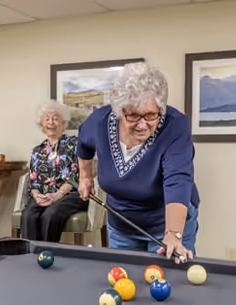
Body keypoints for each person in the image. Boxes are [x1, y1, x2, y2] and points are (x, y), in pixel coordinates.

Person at [75, 62, 200, 263]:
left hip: (165, 223)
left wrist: (174, 234)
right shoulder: (99, 122)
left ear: (161, 107)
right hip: (121, 224)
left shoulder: (175, 126)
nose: (142, 124)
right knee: (124, 281)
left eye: (151, 115)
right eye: (133, 115)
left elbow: (177, 180)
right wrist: (85, 176)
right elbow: (83, 143)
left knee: (170, 282)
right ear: (118, 110)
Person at [20, 100, 88, 242]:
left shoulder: (75, 144)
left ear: (63, 124)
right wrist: (37, 195)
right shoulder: (38, 150)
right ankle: (30, 257)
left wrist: (57, 195)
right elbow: (33, 180)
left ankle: (47, 255)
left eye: (56, 118)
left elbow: (76, 175)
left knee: (50, 214)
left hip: (71, 194)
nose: (51, 122)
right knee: (28, 215)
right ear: (42, 125)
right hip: (44, 194)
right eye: (47, 119)